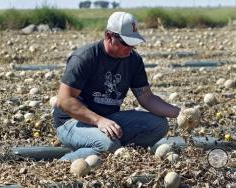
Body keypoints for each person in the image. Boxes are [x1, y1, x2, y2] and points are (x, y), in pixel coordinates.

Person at [53, 11, 180, 161]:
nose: (130, 49)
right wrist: (98, 121)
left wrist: (180, 113)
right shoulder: (85, 58)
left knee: (159, 125)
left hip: (108, 119)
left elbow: (147, 98)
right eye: (126, 43)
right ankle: (64, 162)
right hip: (72, 122)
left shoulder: (133, 61)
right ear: (109, 36)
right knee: (107, 145)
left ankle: (118, 153)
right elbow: (64, 100)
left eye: (134, 44)